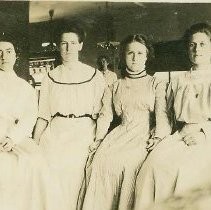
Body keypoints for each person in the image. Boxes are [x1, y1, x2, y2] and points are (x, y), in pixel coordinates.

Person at [77, 34, 170, 210]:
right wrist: (98, 139)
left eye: (140, 53)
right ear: (123, 56)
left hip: (144, 134)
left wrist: (158, 137)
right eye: (130, 53)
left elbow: (162, 115)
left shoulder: (156, 83)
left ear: (147, 56)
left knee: (129, 163)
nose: (135, 58)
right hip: (121, 133)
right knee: (99, 161)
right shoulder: (115, 86)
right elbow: (105, 115)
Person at [33, 21, 113, 209]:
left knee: (78, 176)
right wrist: (34, 142)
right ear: (58, 46)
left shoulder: (94, 75)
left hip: (85, 133)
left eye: (73, 43)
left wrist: (99, 138)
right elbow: (43, 114)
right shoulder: (49, 77)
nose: (68, 48)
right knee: (50, 175)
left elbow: (104, 112)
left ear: (80, 45)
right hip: (55, 133)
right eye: (63, 43)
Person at [134, 22, 211, 210]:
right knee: (151, 166)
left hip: (206, 136)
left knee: (185, 172)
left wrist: (203, 133)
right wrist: (159, 136)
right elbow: (167, 115)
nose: (197, 49)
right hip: (180, 135)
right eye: (192, 45)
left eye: (202, 44)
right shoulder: (179, 80)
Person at [0, 35, 63, 210]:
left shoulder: (25, 87)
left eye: (8, 51)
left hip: (17, 135)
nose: (3, 56)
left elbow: (29, 116)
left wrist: (12, 138)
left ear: (15, 55)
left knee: (35, 161)